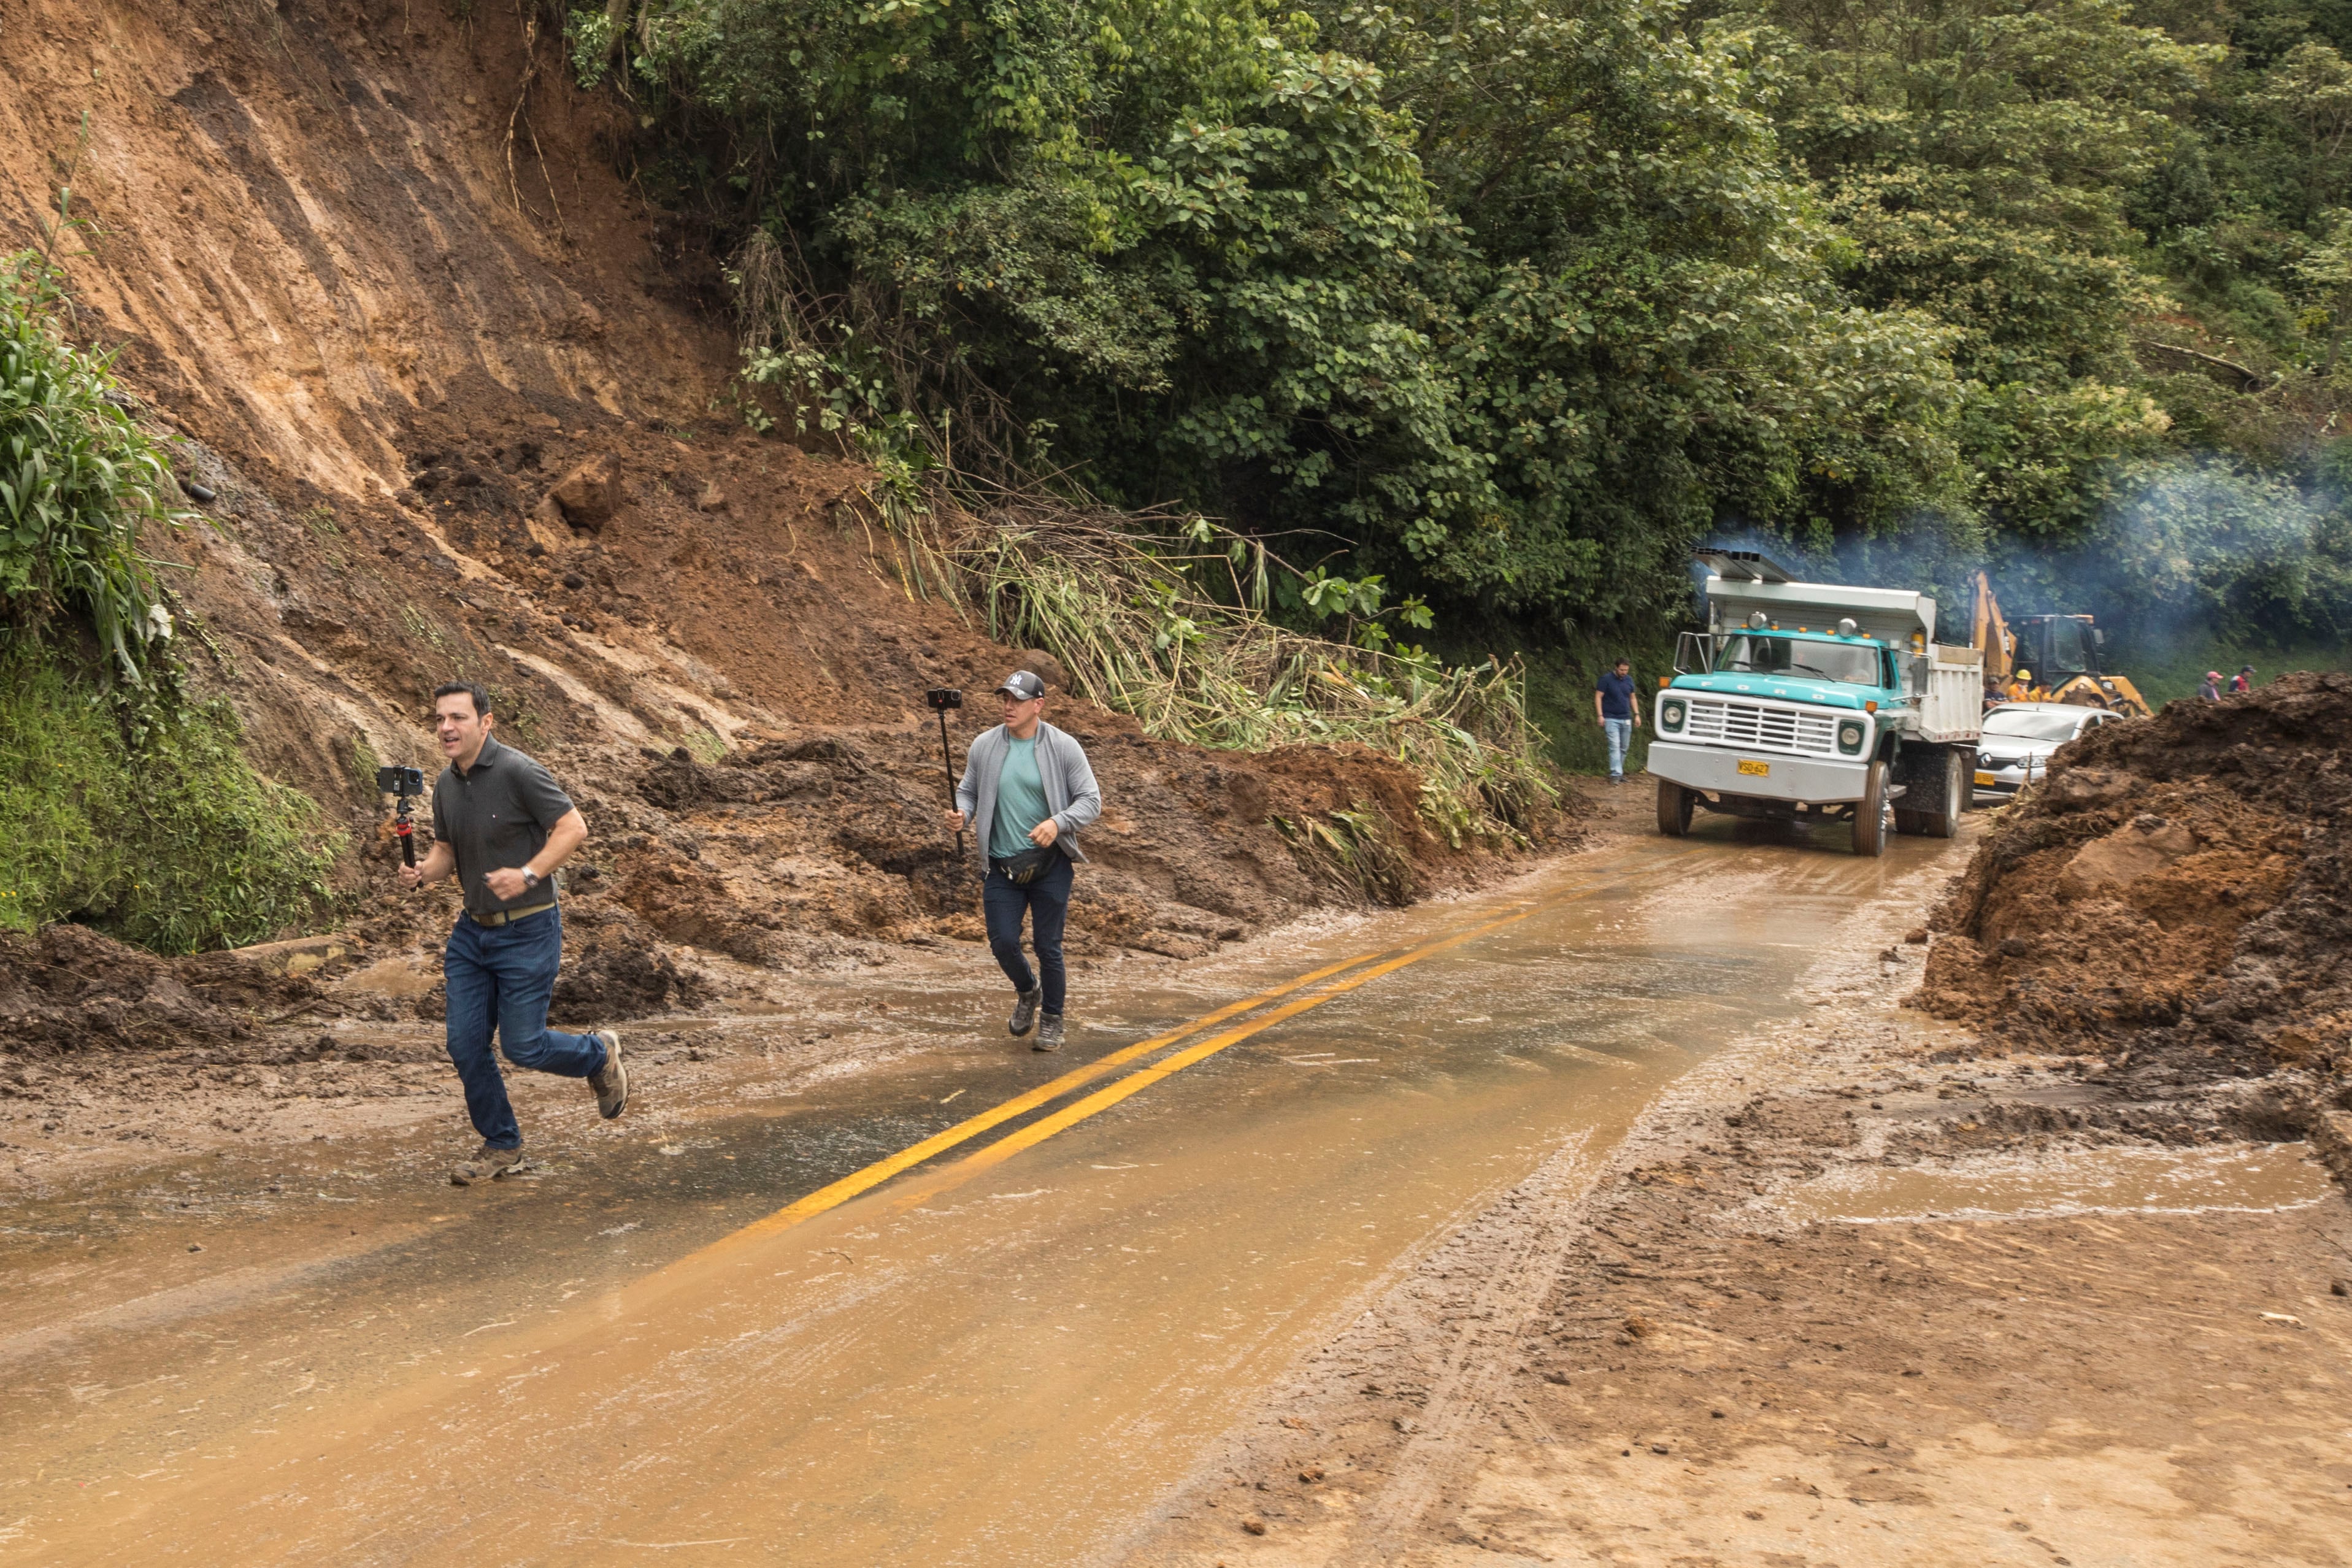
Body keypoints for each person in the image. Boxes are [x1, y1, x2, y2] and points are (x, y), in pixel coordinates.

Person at [399, 682, 629, 1184]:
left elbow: (573, 828)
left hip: (528, 931)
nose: (446, 728)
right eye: (440, 719)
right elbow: (446, 852)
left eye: (457, 718)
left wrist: (528, 873)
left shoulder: (519, 771)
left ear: (486, 722)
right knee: (465, 1046)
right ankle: (503, 1145)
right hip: (471, 935)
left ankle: (597, 1054)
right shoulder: (445, 784)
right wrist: (423, 873)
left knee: (523, 1047)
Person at [946, 670, 1102, 1052]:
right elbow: (967, 790)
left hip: (1050, 864)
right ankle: (1028, 990)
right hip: (1000, 864)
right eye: (1005, 699)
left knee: (1048, 945)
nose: (1009, 706)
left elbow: (1091, 801)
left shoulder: (1063, 747)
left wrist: (1057, 822)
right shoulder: (984, 745)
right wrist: (963, 815)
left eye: (1017, 700)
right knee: (1002, 942)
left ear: (1039, 704)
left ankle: (1052, 1020)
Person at [1593, 657, 1640, 784]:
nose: (1624, 672)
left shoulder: (1629, 680)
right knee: (1614, 746)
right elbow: (1598, 697)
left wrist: (1637, 714)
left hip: (1626, 718)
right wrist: (1600, 715)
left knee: (1624, 747)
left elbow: (1633, 698)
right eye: (1622, 670)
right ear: (1616, 668)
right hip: (1611, 718)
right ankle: (1615, 774)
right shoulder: (1606, 679)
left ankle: (1619, 773)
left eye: (1626, 670)